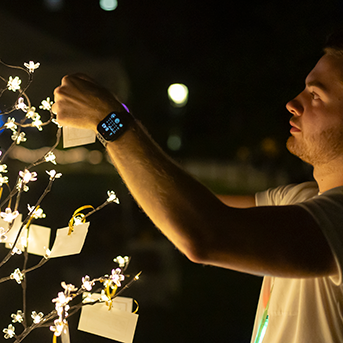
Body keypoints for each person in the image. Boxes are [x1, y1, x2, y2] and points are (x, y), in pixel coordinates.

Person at [52, 32, 343, 343]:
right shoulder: (298, 199)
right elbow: (184, 204)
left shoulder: (337, 221)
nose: (292, 103)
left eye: (315, 95)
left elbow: (205, 233)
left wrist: (111, 121)